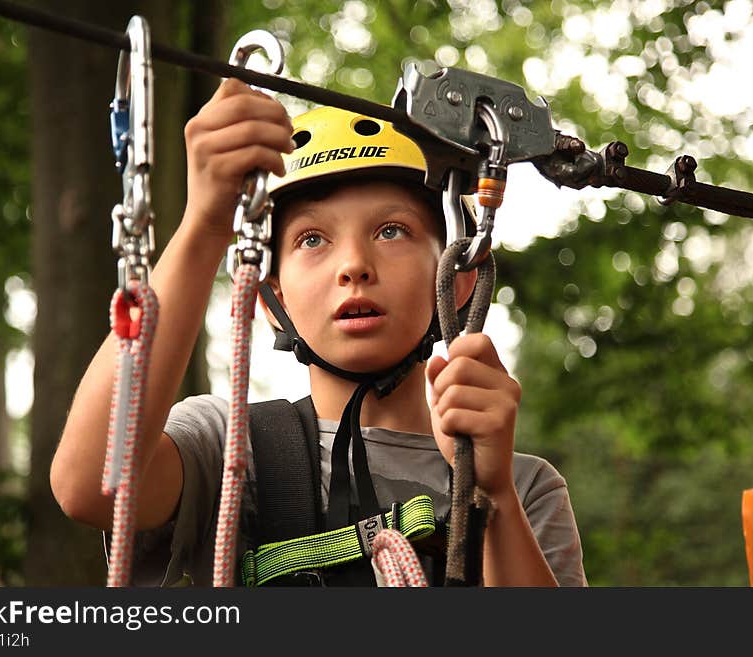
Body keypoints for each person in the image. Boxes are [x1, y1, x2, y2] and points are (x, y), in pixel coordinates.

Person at [50, 78, 587, 587]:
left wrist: (490, 495)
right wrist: (205, 223)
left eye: (391, 230)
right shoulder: (229, 449)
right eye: (311, 240)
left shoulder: (526, 489)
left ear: (457, 276)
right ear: (273, 299)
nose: (353, 265)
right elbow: (92, 486)